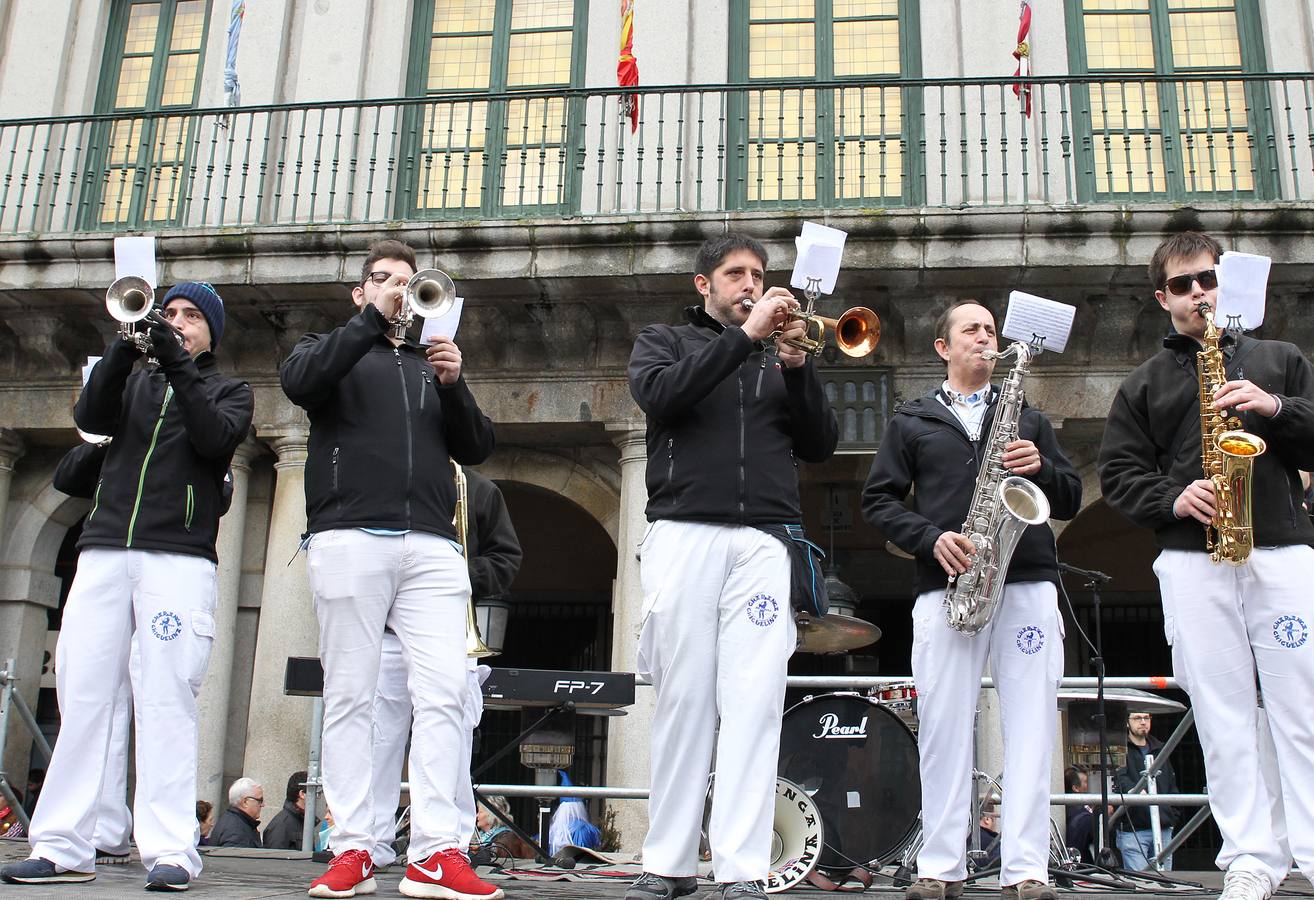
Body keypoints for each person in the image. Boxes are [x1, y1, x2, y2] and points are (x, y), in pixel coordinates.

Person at [1, 282, 253, 891]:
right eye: (169, 314)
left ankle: (170, 849)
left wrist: (173, 360)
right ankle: (64, 843)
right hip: (106, 550)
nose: (178, 322)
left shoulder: (228, 391)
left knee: (167, 699)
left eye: (192, 317)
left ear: (211, 334)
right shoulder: (132, 386)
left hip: (178, 558)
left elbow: (214, 440)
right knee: (84, 697)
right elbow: (89, 420)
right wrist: (123, 348)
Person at [1098, 230, 1314, 900]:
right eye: (1186, 284)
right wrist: (1175, 495)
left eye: (1210, 279)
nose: (1201, 293)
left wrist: (1272, 407)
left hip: (1280, 550)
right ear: (1163, 297)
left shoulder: (1278, 358)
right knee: (1221, 714)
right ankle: (1250, 855)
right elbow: (1118, 473)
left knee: (1301, 708)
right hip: (1196, 559)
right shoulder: (1144, 382)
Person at [281, 239, 499, 900]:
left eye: (409, 282)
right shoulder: (332, 348)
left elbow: (478, 445)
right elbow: (301, 384)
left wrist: (455, 385)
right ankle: (354, 846)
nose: (399, 290)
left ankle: (437, 852)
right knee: (352, 695)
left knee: (448, 692)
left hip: (431, 543)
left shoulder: (431, 361)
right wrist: (372, 321)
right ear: (360, 291)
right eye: (383, 280)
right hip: (350, 534)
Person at [625, 232, 839, 900]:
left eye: (758, 274)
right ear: (704, 284)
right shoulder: (665, 341)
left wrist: (799, 369)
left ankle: (744, 866)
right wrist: (744, 338)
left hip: (763, 540)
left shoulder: (781, 356)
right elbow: (664, 398)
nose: (751, 283)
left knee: (753, 704)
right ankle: (669, 861)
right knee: (685, 701)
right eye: (736, 273)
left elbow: (821, 444)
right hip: (684, 531)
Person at [863, 299, 1081, 900]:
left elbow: (1070, 495)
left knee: (1034, 725)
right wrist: (931, 540)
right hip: (948, 586)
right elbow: (877, 503)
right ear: (944, 347)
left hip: (1028, 580)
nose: (986, 337)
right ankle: (940, 865)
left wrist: (1041, 469)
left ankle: (1027, 868)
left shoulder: (1029, 420)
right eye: (972, 330)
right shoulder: (911, 420)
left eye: (991, 329)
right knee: (942, 726)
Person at [369, 468, 522, 870]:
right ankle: (369, 842)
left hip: (449, 629)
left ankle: (447, 845)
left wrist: (446, 577)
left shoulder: (480, 491)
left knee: (448, 742)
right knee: (377, 740)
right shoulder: (387, 478)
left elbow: (506, 559)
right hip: (386, 633)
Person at [1113, 712, 1179, 871]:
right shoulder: (1119, 749)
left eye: (1146, 718)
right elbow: (1119, 778)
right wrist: (1136, 792)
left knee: (1165, 882)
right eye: (1137, 718)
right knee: (1142, 883)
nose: (1143, 722)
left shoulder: (1160, 748)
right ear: (1127, 722)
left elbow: (1170, 783)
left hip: (1163, 825)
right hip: (1134, 827)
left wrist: (1173, 813)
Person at [470, 797, 536, 863]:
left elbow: (496, 852)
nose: (476, 816)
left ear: (490, 814)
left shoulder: (507, 836)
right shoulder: (477, 835)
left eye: (480, 812)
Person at [263, 772, 316, 851]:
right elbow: (275, 861)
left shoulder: (300, 820)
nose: (317, 798)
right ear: (302, 794)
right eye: (315, 792)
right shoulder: (281, 826)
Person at [209, 778, 264, 849]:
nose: (263, 804)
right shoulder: (237, 832)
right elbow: (234, 860)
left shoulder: (231, 820)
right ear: (245, 802)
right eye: (260, 800)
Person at [1063, 766, 1096, 864]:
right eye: (1085, 782)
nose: (1087, 785)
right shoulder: (1082, 815)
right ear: (1075, 788)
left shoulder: (1064, 808)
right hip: (1083, 864)